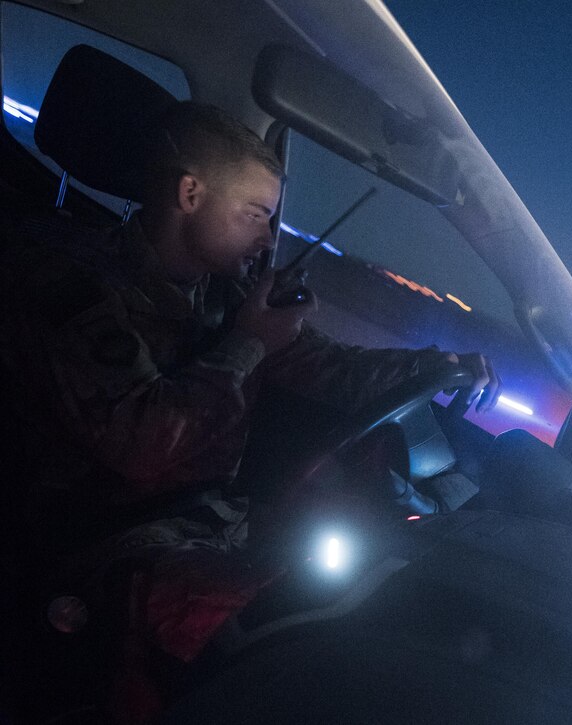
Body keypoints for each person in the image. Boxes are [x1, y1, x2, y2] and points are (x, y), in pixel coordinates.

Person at [5, 102, 499, 667]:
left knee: (383, 581)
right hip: (103, 546)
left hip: (214, 524)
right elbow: (140, 446)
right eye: (254, 214)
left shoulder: (225, 296)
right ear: (190, 196)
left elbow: (332, 367)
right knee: (291, 644)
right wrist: (250, 342)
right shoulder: (73, 290)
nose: (268, 239)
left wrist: (438, 365)